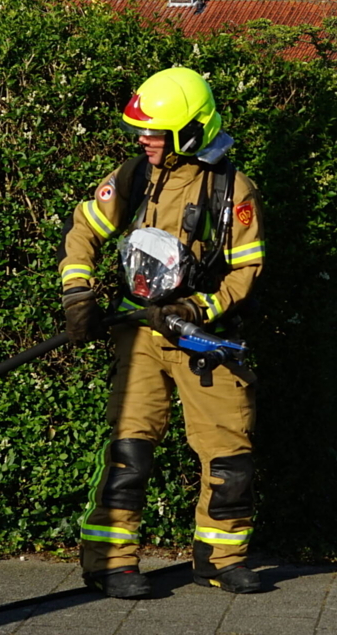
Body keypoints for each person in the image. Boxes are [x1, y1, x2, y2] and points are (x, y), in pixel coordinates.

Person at [59, 67, 266, 599]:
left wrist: (201, 308)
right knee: (129, 450)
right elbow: (85, 229)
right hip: (139, 334)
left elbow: (247, 270)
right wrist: (77, 290)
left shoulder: (232, 189)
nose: (143, 140)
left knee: (229, 456)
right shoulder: (133, 176)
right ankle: (110, 562)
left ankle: (222, 559)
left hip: (205, 341)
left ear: (191, 131)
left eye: (155, 132)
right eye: (142, 132)